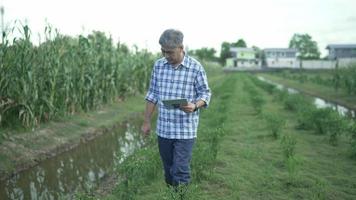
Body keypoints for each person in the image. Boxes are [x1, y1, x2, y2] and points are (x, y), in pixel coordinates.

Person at [141, 29, 211, 187]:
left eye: (170, 52)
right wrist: (146, 122)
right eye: (163, 51)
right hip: (164, 130)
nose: (166, 55)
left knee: (180, 171)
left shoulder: (195, 68)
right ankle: (172, 194)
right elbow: (152, 94)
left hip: (185, 130)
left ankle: (181, 196)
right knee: (169, 170)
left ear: (181, 47)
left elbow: (205, 94)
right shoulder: (158, 66)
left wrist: (195, 105)